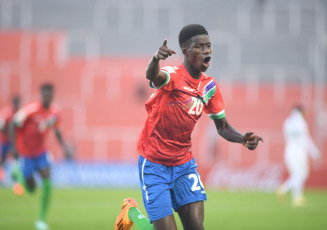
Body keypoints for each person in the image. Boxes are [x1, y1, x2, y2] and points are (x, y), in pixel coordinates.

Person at [115, 24, 263, 230]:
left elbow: (223, 127)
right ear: (185, 51)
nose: (207, 51)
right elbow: (153, 76)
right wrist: (156, 58)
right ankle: (131, 213)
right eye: (200, 46)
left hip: (184, 164)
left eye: (209, 46)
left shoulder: (210, 87)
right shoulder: (173, 75)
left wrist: (242, 139)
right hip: (154, 165)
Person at [9, 83, 71, 230]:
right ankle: (18, 173)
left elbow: (57, 131)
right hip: (25, 153)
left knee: (47, 179)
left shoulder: (55, 113)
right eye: (45, 95)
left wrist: (65, 147)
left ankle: (41, 219)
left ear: (53, 96)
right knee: (31, 189)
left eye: (50, 95)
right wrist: (14, 147)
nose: (48, 97)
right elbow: (13, 124)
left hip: (41, 152)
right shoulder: (31, 110)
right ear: (41, 95)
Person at [276, 105, 320, 207]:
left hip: (289, 152)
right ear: (301, 112)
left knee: (297, 175)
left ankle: (297, 198)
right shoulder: (300, 123)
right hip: (299, 153)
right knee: (301, 174)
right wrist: (314, 152)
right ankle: (284, 189)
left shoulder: (288, 122)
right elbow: (305, 139)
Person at [0, 95, 20, 182]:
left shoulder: (20, 113)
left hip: (15, 141)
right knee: (3, 159)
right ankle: (2, 175)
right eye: (15, 102)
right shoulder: (6, 112)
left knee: (16, 158)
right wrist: (8, 133)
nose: (17, 104)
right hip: (5, 141)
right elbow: (1, 126)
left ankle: (15, 176)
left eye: (18, 102)